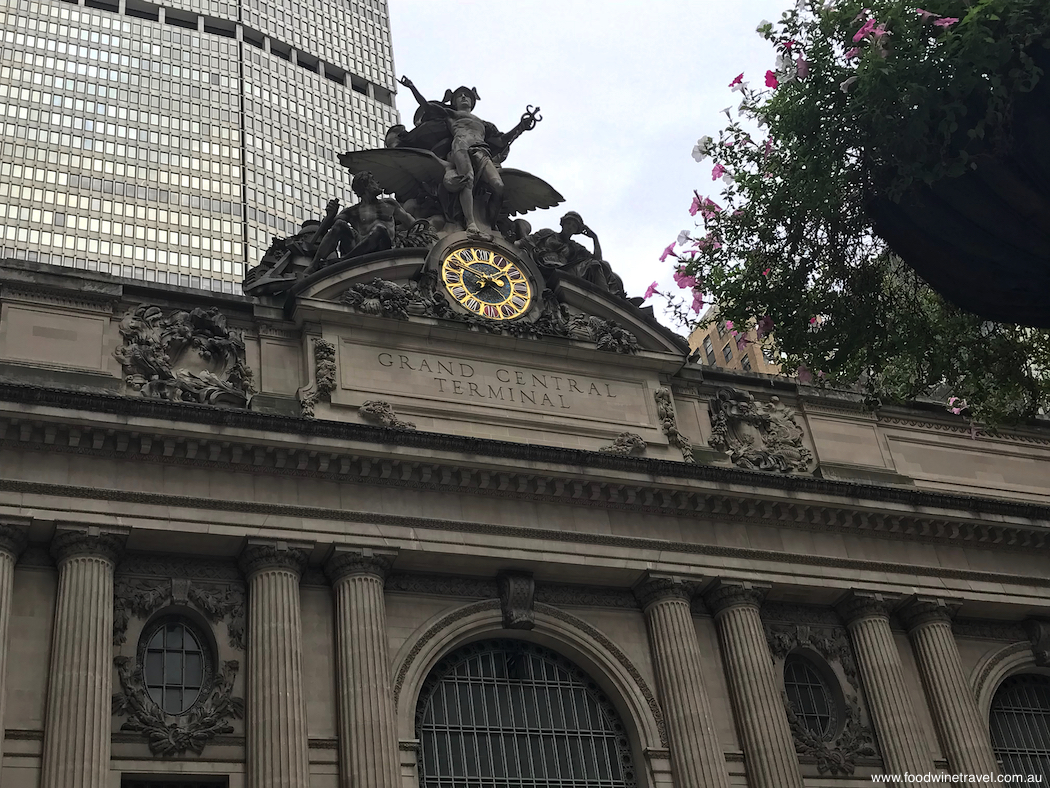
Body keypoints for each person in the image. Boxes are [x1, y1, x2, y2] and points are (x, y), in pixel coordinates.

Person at [398, 77, 539, 233]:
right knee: (467, 180)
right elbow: (426, 106)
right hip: (461, 147)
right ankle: (470, 222)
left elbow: (502, 140)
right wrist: (412, 87)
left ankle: (491, 223)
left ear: (473, 102)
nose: (464, 97)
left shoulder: (485, 124)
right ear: (454, 101)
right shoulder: (450, 114)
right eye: (460, 95)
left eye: (467, 95)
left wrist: (521, 127)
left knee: (498, 186)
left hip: (482, 150)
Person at [309, 171, 422, 270]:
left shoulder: (389, 204)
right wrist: (330, 215)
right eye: (373, 180)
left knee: (379, 229)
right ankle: (313, 266)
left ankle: (343, 261)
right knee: (340, 224)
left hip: (383, 248)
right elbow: (329, 228)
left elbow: (412, 224)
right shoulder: (353, 211)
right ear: (365, 185)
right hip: (359, 250)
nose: (377, 183)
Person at [526, 211, 626, 296]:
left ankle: (608, 296)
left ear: (576, 231)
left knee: (600, 264)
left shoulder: (575, 247)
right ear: (563, 223)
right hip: (543, 264)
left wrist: (594, 238)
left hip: (564, 270)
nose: (570, 227)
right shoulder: (547, 233)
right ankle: (609, 296)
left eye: (574, 226)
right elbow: (528, 241)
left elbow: (597, 259)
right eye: (568, 223)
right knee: (596, 264)